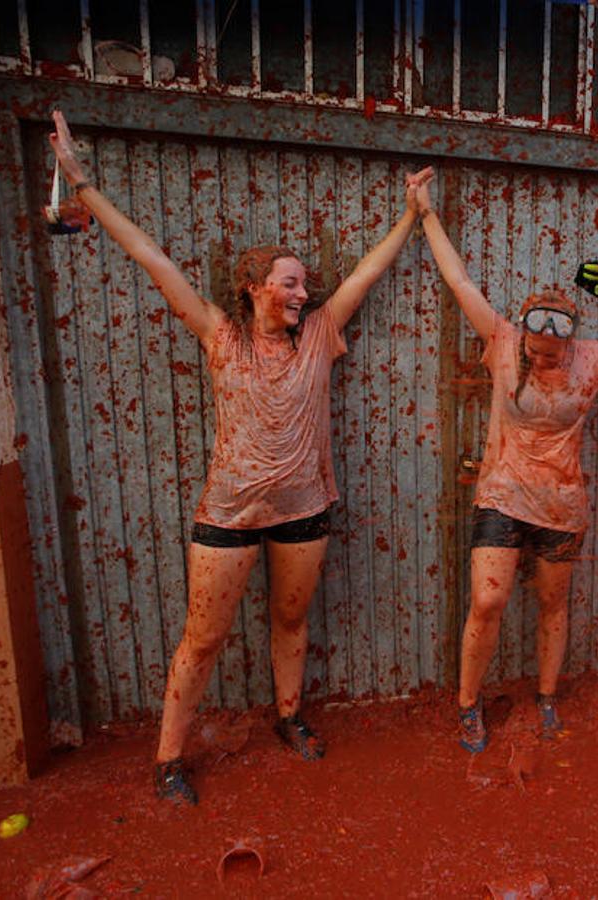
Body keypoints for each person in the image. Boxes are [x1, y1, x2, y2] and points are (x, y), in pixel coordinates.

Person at [49, 110, 433, 802]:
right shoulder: (220, 336)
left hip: (303, 509)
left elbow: (369, 272)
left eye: (304, 284)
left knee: (291, 620)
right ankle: (169, 757)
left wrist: (411, 215)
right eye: (289, 283)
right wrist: (82, 183)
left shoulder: (320, 335)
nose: (303, 293)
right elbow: (152, 259)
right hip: (228, 513)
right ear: (254, 287)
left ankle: (288, 715)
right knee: (202, 639)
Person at [405, 172, 598, 752]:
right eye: (536, 349)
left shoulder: (593, 358)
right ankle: (468, 702)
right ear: (524, 335)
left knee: (553, 603)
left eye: (552, 353)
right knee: (488, 600)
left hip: (562, 505)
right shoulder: (503, 341)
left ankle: (547, 697)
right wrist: (424, 214)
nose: (543, 358)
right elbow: (459, 280)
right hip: (502, 494)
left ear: (569, 342)